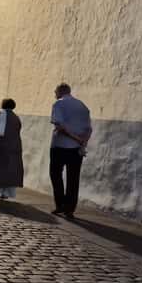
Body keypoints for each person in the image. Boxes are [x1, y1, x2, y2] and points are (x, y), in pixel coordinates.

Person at [49, 83, 92, 219]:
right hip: (76, 149)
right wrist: (82, 142)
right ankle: (70, 209)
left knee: (55, 174)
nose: (54, 94)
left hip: (60, 146)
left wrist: (76, 139)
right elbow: (89, 129)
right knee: (73, 178)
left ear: (60, 92)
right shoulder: (82, 105)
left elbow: (60, 126)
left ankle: (61, 204)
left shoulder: (58, 104)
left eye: (55, 91)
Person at [0, 98, 24, 201]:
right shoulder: (16, 117)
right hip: (13, 146)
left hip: (0, 146)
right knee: (9, 169)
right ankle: (6, 192)